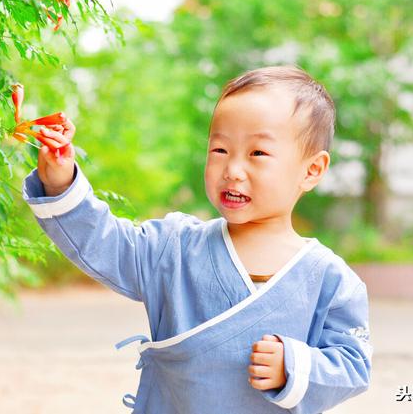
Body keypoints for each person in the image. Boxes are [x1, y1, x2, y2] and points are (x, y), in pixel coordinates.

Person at [22, 65, 372, 413]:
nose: (232, 170)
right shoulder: (173, 247)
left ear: (311, 170)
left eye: (258, 154)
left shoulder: (330, 279)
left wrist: (293, 365)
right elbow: (106, 244)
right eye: (219, 150)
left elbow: (353, 366)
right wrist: (60, 183)